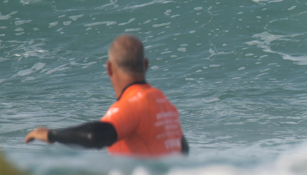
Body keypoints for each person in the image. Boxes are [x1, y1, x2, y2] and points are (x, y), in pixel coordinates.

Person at [25, 35, 188, 157]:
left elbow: (95, 135)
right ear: (145, 65)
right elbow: (183, 148)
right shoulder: (166, 105)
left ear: (109, 68)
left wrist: (50, 135)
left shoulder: (133, 104)